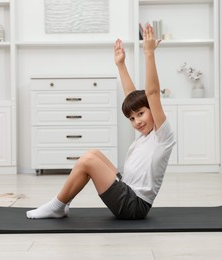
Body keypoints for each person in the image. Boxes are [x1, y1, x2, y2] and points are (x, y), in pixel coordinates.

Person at [26, 23, 175, 220]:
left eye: (141, 114)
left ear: (152, 110)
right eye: (132, 118)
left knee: (88, 161)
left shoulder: (162, 135)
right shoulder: (145, 135)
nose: (137, 121)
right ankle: (62, 204)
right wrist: (120, 64)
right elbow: (131, 97)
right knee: (93, 154)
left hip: (134, 205)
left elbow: (153, 93)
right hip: (127, 188)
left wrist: (149, 53)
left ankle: (57, 205)